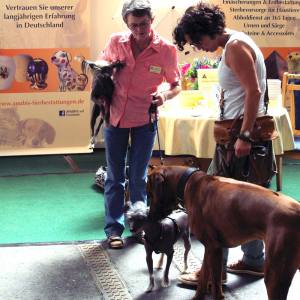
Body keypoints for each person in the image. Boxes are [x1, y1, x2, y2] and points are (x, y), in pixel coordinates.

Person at [172, 2, 276, 285]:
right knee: (245, 201)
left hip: (240, 136)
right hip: (235, 133)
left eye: (197, 40)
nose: (198, 46)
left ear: (207, 30)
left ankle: (211, 273)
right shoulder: (235, 43)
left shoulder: (235, 47)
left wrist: (243, 136)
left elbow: (254, 92)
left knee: (218, 204)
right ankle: (254, 261)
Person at [98, 0, 181, 249]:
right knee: (114, 176)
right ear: (127, 23)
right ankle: (114, 229)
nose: (139, 30)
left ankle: (138, 227)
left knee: (138, 177)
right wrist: (101, 84)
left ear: (151, 21)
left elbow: (176, 85)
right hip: (115, 117)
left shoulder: (166, 50)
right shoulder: (115, 42)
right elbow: (102, 69)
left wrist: (163, 96)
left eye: (143, 24)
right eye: (134, 25)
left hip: (145, 117)